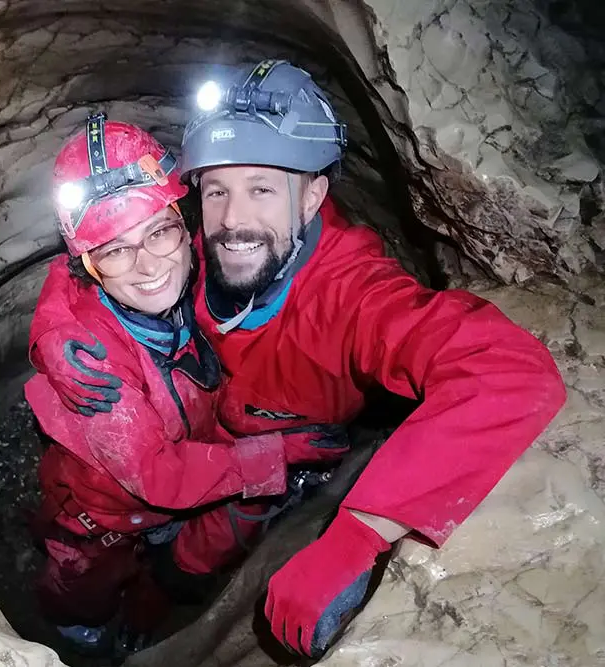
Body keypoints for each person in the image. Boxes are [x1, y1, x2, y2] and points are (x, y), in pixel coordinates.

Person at [53, 61, 568, 659]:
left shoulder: (350, 295)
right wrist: (59, 322)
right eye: (217, 189)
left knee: (192, 564)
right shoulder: (191, 244)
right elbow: (108, 244)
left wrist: (360, 534)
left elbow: (507, 369)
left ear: (313, 196)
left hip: (270, 473)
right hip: (209, 444)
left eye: (263, 188)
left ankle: (158, 606)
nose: (234, 220)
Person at [24, 113, 335, 655]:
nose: (148, 266)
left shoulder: (191, 259)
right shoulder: (95, 365)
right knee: (83, 584)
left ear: (182, 225)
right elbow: (158, 477)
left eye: (158, 233)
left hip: (187, 469)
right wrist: (273, 457)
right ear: (91, 267)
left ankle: (146, 608)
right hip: (103, 513)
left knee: (164, 564)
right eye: (115, 250)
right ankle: (79, 637)